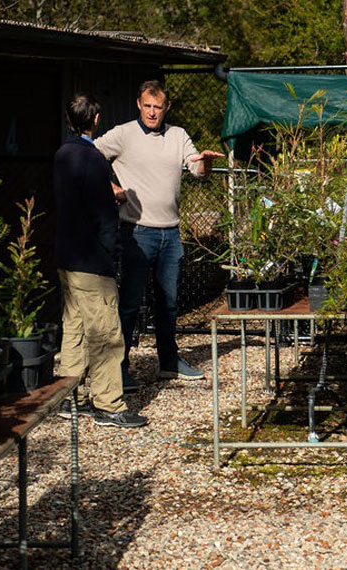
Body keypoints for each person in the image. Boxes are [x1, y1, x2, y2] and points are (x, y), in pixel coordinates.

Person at [94, 80, 222, 389]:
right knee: (129, 303)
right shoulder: (123, 134)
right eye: (147, 106)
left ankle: (169, 362)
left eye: (158, 107)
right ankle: (119, 369)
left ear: (167, 108)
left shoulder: (177, 136)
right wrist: (110, 187)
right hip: (137, 233)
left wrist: (204, 162)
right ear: (139, 104)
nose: (152, 112)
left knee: (169, 304)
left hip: (170, 235)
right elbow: (89, 155)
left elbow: (197, 170)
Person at [53, 93, 148, 429]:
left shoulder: (63, 155)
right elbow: (103, 213)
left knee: (75, 329)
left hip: (67, 255)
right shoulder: (93, 159)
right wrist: (113, 253)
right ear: (94, 120)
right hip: (92, 259)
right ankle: (108, 403)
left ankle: (67, 396)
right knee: (106, 333)